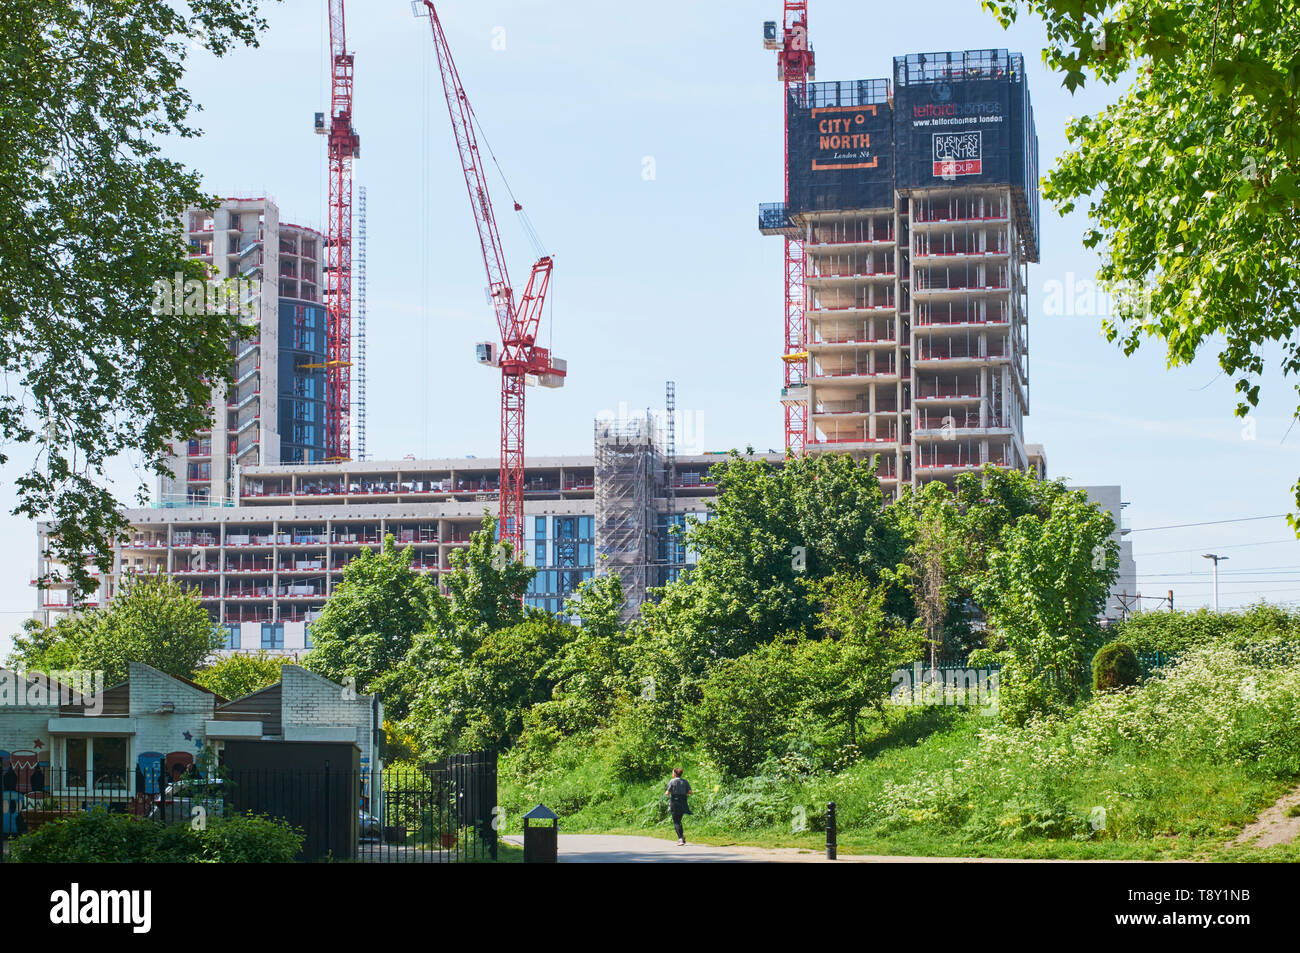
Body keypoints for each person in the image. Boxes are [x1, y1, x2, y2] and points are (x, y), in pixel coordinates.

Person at [664, 767, 692, 846]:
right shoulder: (685, 781)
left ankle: (680, 839)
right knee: (679, 820)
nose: (672, 773)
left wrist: (668, 793)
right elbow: (690, 792)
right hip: (683, 802)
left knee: (676, 821)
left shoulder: (672, 781)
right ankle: (682, 837)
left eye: (673, 772)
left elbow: (667, 793)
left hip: (675, 802)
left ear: (675, 774)